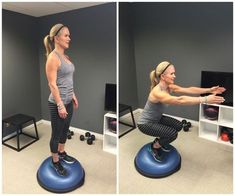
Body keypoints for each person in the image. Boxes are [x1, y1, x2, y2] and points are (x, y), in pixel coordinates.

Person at [137, 61, 225, 162]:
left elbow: (189, 90)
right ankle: (155, 146)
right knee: (172, 134)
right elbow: (180, 100)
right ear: (162, 76)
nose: (174, 76)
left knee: (178, 126)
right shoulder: (157, 92)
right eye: (172, 74)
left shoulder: (169, 87)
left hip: (156, 119)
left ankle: (160, 141)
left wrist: (209, 90)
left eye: (174, 73)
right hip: (145, 124)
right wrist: (204, 100)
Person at [44, 24, 78, 176]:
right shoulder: (53, 58)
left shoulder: (65, 57)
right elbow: (52, 84)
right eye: (66, 35)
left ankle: (62, 152)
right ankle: (55, 161)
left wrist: (72, 95)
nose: (69, 38)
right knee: (56, 134)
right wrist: (60, 105)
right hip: (57, 103)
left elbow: (66, 80)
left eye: (69, 35)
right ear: (56, 38)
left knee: (65, 130)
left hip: (68, 101)